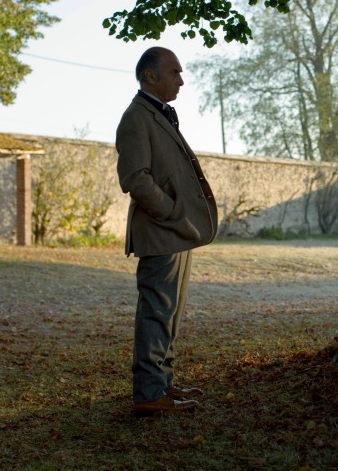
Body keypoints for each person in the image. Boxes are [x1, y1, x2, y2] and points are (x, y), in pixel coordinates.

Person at [115, 47, 218, 416]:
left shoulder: (158, 114)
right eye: (174, 72)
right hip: (161, 231)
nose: (181, 80)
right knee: (157, 311)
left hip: (175, 232)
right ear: (150, 76)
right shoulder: (136, 117)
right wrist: (174, 212)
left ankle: (163, 385)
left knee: (170, 312)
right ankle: (148, 395)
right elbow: (135, 180)